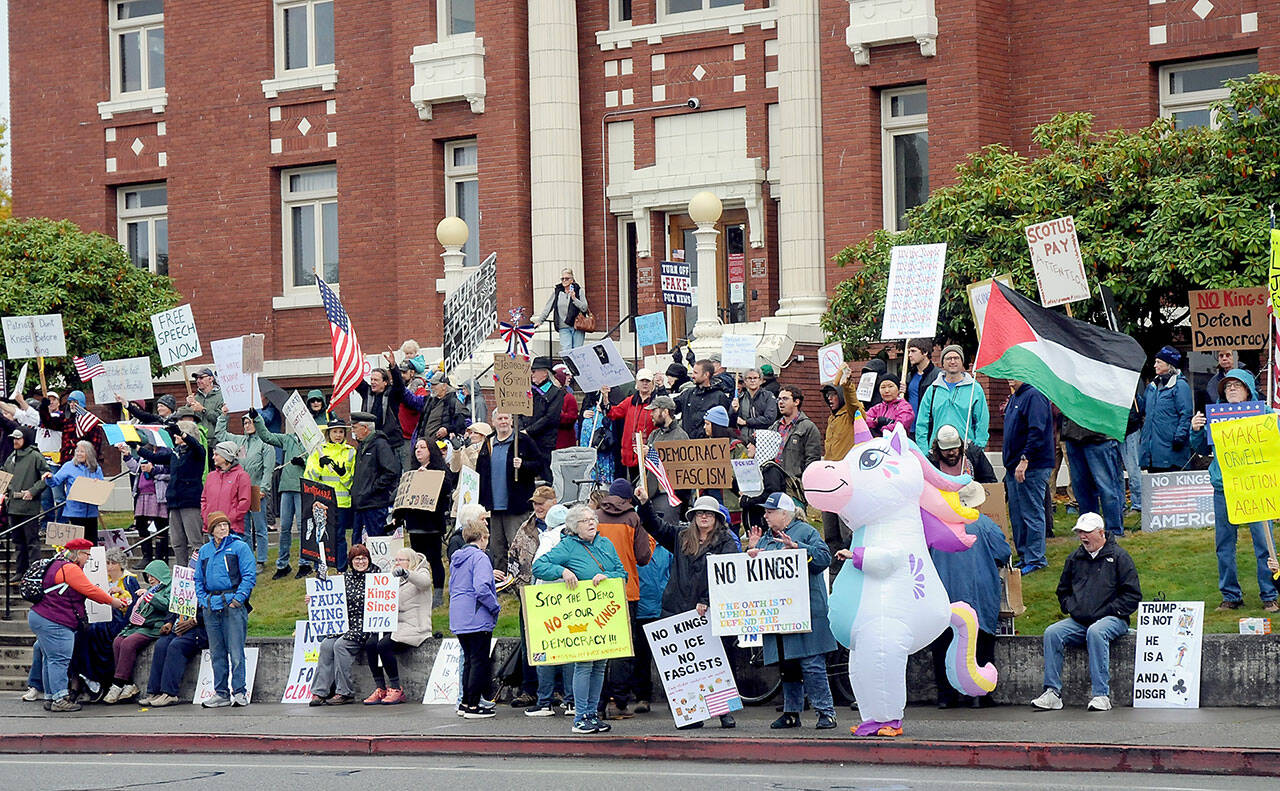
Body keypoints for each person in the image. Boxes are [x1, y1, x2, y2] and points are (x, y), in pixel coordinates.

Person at [633, 491, 739, 729]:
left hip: (712, 612)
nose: (703, 516)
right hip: (678, 608)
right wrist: (644, 503)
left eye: (709, 513)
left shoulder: (727, 541)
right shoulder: (681, 535)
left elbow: (727, 575)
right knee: (686, 665)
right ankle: (692, 713)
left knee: (718, 662)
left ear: (717, 518)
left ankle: (724, 712)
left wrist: (706, 599)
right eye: (700, 512)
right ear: (692, 516)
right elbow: (653, 525)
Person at [1190, 368, 1280, 613]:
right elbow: (1200, 448)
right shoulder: (1215, 416)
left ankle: (1270, 594)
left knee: (1264, 543)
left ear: (1248, 390)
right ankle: (1230, 596)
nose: (1230, 388)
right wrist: (1196, 430)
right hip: (1224, 488)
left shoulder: (1264, 414)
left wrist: (1271, 422)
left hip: (1255, 488)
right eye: (1226, 385)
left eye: (1236, 385)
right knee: (1224, 546)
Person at [533, 504, 628, 734]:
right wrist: (562, 572)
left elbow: (622, 573)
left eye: (592, 519)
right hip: (582, 615)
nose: (591, 523)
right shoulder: (567, 546)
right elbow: (539, 566)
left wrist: (607, 576)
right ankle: (580, 716)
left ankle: (593, 714)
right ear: (575, 526)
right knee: (585, 664)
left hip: (605, 613)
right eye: (585, 520)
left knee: (600, 664)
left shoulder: (605, 544)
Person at [1032, 513, 1141, 712]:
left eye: (1087, 532)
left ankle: (1101, 695)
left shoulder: (1120, 557)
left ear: (1101, 532)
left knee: (1096, 632)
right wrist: (1071, 607)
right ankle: (1052, 693)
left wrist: (1111, 611)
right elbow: (1063, 590)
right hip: (1080, 620)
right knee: (1052, 633)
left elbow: (1132, 595)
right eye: (1080, 532)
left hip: (1114, 619)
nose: (1083, 536)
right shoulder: (1074, 558)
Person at [748, 492, 838, 730]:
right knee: (787, 665)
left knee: (811, 664)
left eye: (770, 511)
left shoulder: (806, 532)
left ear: (784, 514)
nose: (765, 516)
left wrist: (798, 548)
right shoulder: (767, 539)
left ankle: (825, 712)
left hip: (806, 610)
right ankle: (791, 712)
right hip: (780, 613)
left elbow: (823, 559)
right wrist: (752, 554)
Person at [929, 492, 1011, 708]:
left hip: (944, 591)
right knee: (980, 641)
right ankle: (979, 695)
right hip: (979, 593)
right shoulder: (985, 524)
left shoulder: (935, 524)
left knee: (943, 642)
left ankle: (946, 696)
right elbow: (1003, 552)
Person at [28, 538, 128, 711]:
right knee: (59, 659)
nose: (88, 558)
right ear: (78, 554)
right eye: (87, 554)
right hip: (56, 620)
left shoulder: (56, 564)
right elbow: (90, 590)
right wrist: (114, 602)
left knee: (50, 659)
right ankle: (60, 699)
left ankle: (51, 697)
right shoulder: (70, 569)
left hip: (40, 616)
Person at [594, 478, 652, 720]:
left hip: (596, 588)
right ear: (629, 498)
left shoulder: (594, 515)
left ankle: (596, 702)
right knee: (623, 648)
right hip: (626, 590)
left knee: (598, 646)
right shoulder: (633, 518)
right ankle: (618, 702)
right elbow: (643, 557)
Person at [194, 510, 257, 708]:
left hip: (232, 605)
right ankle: (221, 693)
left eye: (225, 525)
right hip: (211, 606)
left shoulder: (240, 547)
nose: (224, 528)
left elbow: (249, 575)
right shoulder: (204, 551)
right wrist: (203, 600)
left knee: (236, 651)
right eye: (219, 525)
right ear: (211, 529)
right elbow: (197, 578)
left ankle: (239, 691)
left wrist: (238, 599)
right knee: (217, 652)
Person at [506, 485, 560, 709]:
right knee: (530, 644)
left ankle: (558, 689)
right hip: (529, 595)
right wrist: (518, 587)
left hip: (557, 595)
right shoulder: (525, 528)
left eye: (542, 503)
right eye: (535, 503)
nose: (537, 507)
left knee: (558, 643)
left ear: (553, 502)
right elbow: (513, 557)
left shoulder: (564, 528)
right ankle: (530, 689)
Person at [63, 547, 139, 703]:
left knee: (96, 632)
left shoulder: (129, 579)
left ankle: (95, 678)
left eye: (113, 563)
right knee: (81, 634)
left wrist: (122, 594)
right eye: (107, 563)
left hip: (120, 620)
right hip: (101, 617)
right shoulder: (101, 579)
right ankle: (82, 678)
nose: (109, 566)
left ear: (120, 564)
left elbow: (135, 605)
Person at [309, 544, 380, 706]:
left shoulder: (378, 577)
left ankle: (345, 692)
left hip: (365, 626)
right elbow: (329, 596)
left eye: (364, 558)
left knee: (340, 646)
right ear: (351, 561)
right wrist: (313, 598)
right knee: (327, 645)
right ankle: (320, 691)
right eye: (357, 559)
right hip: (345, 625)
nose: (361, 562)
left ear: (369, 559)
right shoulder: (345, 578)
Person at [363, 548, 433, 705]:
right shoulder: (394, 578)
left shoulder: (421, 573)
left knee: (384, 645)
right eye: (396, 560)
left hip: (415, 626)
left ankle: (395, 688)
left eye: (401, 560)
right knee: (371, 644)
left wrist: (405, 573)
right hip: (396, 625)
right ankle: (380, 687)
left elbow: (424, 583)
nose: (397, 563)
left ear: (410, 562)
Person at [478, 411, 545, 570]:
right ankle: (500, 580)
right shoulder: (488, 442)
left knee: (517, 545)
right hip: (493, 507)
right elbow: (480, 471)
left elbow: (540, 465)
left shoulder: (522, 441)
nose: (503, 422)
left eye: (506, 418)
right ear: (493, 422)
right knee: (496, 546)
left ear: (511, 421)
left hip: (516, 505)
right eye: (499, 418)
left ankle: (520, 579)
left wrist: (523, 465)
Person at [525, 504, 575, 717]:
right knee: (572, 650)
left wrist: (559, 572)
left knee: (546, 650)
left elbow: (538, 567)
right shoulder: (575, 539)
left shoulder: (549, 537)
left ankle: (544, 701)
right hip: (572, 600)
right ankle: (572, 701)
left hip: (547, 601)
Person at [213, 406, 276, 569]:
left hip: (256, 490)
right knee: (244, 528)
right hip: (240, 491)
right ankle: (248, 558)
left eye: (251, 422)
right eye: (245, 422)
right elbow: (221, 435)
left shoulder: (265, 443)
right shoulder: (239, 441)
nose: (247, 425)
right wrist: (223, 416)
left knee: (260, 527)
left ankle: (261, 559)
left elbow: (268, 469)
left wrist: (264, 488)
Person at [135, 419, 204, 567]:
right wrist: (136, 447)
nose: (175, 436)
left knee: (195, 540)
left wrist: (181, 432)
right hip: (174, 501)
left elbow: (195, 445)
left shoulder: (197, 452)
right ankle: (181, 570)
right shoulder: (175, 453)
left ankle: (198, 570)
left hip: (190, 501)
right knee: (178, 541)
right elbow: (155, 457)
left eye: (178, 433)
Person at [450, 522, 502, 719]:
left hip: (459, 615)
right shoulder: (480, 557)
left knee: (469, 662)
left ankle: (465, 702)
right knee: (479, 661)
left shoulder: (457, 558)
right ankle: (473, 705)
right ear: (482, 537)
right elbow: (481, 587)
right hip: (477, 614)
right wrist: (494, 606)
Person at [1003, 379, 1055, 575]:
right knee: (1017, 514)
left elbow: (1037, 431)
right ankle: (1024, 555)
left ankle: (1036, 557)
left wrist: (1025, 459)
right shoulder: (1016, 396)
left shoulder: (1034, 395)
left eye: (1015, 372)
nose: (1010, 376)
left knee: (1031, 512)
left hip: (1032, 466)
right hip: (1013, 466)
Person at [819, 364, 867, 576]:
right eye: (827, 396)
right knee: (830, 531)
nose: (829, 399)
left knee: (846, 529)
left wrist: (847, 386)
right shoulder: (831, 418)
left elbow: (854, 403)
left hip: (846, 481)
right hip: (829, 480)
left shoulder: (851, 414)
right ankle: (834, 572)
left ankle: (851, 568)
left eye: (833, 394)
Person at [104, 560, 172, 704]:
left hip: (154, 626)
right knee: (118, 641)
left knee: (129, 643)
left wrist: (150, 596)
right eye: (148, 576)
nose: (150, 579)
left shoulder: (168, 588)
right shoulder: (152, 588)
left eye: (153, 575)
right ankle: (127, 683)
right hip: (140, 625)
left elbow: (166, 604)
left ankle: (117, 684)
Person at [252, 409, 308, 579]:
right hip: (286, 487)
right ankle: (283, 565)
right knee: (284, 527)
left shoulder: (311, 441)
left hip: (303, 487)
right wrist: (257, 419)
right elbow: (267, 436)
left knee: (302, 526)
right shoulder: (288, 439)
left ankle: (304, 563)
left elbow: (318, 461)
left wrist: (304, 462)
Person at [395, 437, 453, 595]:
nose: (418, 450)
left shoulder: (440, 471)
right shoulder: (411, 472)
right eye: (416, 448)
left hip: (432, 525)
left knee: (434, 560)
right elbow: (404, 496)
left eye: (423, 447)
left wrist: (428, 477)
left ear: (431, 451)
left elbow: (447, 488)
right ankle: (419, 589)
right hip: (414, 524)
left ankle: (439, 593)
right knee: (417, 560)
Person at [304, 419, 356, 570]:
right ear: (328, 433)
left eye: (341, 431)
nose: (338, 435)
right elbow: (310, 478)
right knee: (321, 535)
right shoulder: (319, 450)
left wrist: (342, 474)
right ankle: (321, 567)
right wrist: (320, 466)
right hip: (322, 501)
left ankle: (341, 567)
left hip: (342, 502)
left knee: (339, 536)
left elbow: (351, 481)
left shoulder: (351, 452)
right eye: (334, 431)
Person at [915, 345, 989, 451]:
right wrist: (924, 450)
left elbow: (982, 421)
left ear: (962, 361)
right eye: (948, 358)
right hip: (938, 451)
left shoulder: (974, 389)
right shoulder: (933, 389)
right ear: (942, 363)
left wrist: (978, 447)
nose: (953, 361)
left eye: (956, 358)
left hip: (965, 451)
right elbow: (922, 422)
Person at [1061, 416, 1126, 537]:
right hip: (1074, 435)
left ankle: (1114, 531)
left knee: (1107, 488)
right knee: (1082, 489)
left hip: (1099, 436)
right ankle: (1089, 530)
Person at [632, 536, 671, 715]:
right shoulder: (633, 547)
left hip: (665, 609)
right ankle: (643, 697)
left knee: (672, 657)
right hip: (642, 609)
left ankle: (677, 697)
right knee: (642, 657)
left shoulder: (668, 548)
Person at [3, 425, 49, 577]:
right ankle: (20, 570)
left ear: (25, 438)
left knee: (32, 542)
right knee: (17, 541)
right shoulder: (11, 457)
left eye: (18, 438)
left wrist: (32, 491)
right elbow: (4, 475)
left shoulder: (35, 456)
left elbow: (46, 476)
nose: (15, 441)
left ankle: (34, 572)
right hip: (13, 505)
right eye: (14, 438)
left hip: (29, 506)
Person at [349, 411, 402, 541]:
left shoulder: (380, 445)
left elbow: (391, 471)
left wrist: (372, 489)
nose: (353, 431)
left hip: (374, 505)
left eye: (355, 428)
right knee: (358, 542)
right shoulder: (362, 446)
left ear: (365, 428)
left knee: (377, 541)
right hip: (361, 504)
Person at [137, 610, 207, 707]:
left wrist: (194, 621)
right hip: (177, 628)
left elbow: (209, 610)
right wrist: (169, 622)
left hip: (197, 631)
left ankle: (169, 693)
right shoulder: (179, 594)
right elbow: (173, 609)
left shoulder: (204, 594)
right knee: (161, 645)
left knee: (176, 646)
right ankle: (154, 692)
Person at [1140, 345, 1193, 473]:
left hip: (1172, 452)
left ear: (1169, 364)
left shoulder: (1180, 386)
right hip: (1152, 454)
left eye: (1158, 362)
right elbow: (1143, 410)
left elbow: (1186, 414)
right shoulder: (1152, 387)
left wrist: (1179, 437)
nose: (1154, 365)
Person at [765, 385, 823, 496]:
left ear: (796, 402)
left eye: (785, 399)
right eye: (779, 399)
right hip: (773, 483)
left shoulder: (808, 427)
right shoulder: (774, 427)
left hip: (793, 486)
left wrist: (804, 485)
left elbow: (812, 461)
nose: (780, 402)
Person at [355, 353, 410, 466]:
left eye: (376, 380)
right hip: (371, 442)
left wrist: (393, 367)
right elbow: (356, 380)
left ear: (385, 382)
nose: (373, 382)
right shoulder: (367, 392)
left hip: (391, 443)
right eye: (371, 379)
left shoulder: (392, 394)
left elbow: (399, 385)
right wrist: (358, 364)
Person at [120, 442, 170, 565]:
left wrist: (153, 470)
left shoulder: (166, 454)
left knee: (160, 525)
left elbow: (168, 474)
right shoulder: (144, 453)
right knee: (141, 525)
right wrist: (127, 456)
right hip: (142, 496)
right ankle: (146, 556)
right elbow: (135, 468)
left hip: (158, 496)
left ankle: (160, 557)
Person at [642, 395, 689, 524]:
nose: (651, 414)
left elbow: (680, 468)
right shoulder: (655, 434)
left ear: (665, 412)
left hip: (668, 496)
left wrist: (651, 453)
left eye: (654, 411)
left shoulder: (680, 436)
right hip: (652, 492)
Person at [46, 440, 105, 542]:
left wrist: (98, 483)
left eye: (82, 451)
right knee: (78, 544)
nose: (78, 454)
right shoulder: (68, 466)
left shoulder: (96, 468)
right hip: (75, 512)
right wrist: (49, 477)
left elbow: (102, 486)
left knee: (92, 543)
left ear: (89, 453)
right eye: (77, 451)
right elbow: (55, 482)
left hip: (91, 512)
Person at [606, 369, 658, 478]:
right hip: (631, 452)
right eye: (642, 380)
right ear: (637, 384)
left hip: (648, 452)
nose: (645, 383)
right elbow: (613, 413)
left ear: (652, 384)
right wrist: (605, 398)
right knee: (634, 485)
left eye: (648, 381)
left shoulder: (657, 403)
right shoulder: (629, 401)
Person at [201, 441, 252, 537]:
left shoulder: (241, 476)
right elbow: (204, 499)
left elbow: (244, 501)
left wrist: (229, 519)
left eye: (216, 454)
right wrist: (206, 517)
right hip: (212, 526)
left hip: (232, 528)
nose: (213, 457)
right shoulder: (211, 476)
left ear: (226, 457)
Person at [536, 268, 591, 351]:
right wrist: (540, 321)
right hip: (563, 327)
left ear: (572, 280)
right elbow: (548, 307)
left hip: (578, 326)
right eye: (562, 279)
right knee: (566, 350)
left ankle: (576, 365)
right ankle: (567, 365)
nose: (564, 280)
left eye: (567, 278)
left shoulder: (578, 290)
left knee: (577, 351)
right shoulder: (557, 292)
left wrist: (574, 298)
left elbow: (584, 307)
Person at [676, 360, 733, 440]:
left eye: (696, 373)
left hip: (709, 446)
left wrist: (734, 411)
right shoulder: (688, 394)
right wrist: (660, 389)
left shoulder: (719, 396)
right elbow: (671, 407)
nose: (692, 376)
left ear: (706, 374)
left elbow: (727, 423)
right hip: (688, 446)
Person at [407, 374, 468, 448]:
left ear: (444, 386)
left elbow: (463, 423)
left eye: (434, 384)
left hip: (441, 447)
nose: (431, 387)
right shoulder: (430, 400)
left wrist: (447, 429)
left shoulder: (454, 402)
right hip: (426, 444)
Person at [525, 357, 566, 460]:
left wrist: (529, 430)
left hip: (544, 442)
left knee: (545, 472)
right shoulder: (527, 390)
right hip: (526, 440)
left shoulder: (556, 393)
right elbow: (520, 411)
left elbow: (550, 417)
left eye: (534, 371)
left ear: (544, 373)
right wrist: (521, 429)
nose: (531, 374)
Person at [734, 368, 778, 444]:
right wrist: (733, 410)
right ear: (745, 381)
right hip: (743, 440)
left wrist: (746, 422)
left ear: (760, 380)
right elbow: (733, 421)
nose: (752, 380)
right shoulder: (740, 397)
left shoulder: (768, 396)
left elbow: (769, 418)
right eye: (749, 378)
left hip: (762, 441)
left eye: (755, 378)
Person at [186, 368, 225, 451]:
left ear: (211, 379)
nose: (198, 381)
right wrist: (188, 406)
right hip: (197, 443)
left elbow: (220, 419)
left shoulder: (221, 396)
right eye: (197, 378)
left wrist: (203, 410)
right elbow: (186, 420)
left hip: (215, 444)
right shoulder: (195, 398)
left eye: (201, 378)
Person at [905, 338, 940, 417]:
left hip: (928, 424)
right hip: (910, 425)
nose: (910, 355)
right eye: (909, 351)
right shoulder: (910, 376)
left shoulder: (938, 375)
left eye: (913, 351)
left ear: (925, 352)